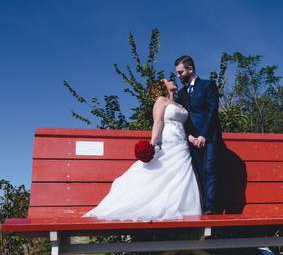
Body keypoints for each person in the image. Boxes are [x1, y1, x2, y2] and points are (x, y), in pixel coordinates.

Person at [84, 78, 202, 220]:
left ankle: (182, 209)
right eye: (168, 80)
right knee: (159, 172)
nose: (172, 80)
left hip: (181, 144)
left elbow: (183, 126)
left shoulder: (178, 104)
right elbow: (158, 123)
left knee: (182, 175)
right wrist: (152, 146)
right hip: (168, 140)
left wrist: (191, 138)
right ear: (162, 86)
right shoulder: (161, 101)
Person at [174, 55, 221, 214]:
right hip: (192, 140)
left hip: (210, 138)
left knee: (210, 170)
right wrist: (190, 136)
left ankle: (210, 211)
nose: (178, 76)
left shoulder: (208, 86)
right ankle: (201, 208)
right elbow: (183, 118)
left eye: (180, 72)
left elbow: (212, 111)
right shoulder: (180, 94)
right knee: (198, 173)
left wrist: (203, 136)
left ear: (190, 69)